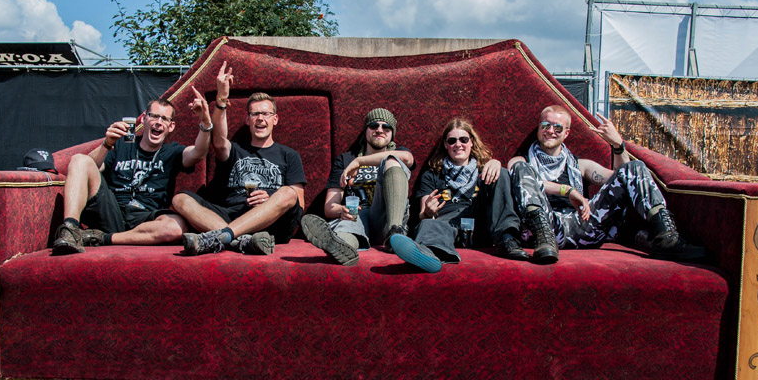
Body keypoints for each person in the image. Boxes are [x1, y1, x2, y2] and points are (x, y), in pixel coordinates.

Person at [508, 104, 706, 264]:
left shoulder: (581, 165)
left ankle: (666, 238)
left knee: (635, 167)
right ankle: (546, 241)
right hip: (543, 233)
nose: (551, 131)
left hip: (583, 227)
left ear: (566, 133)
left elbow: (624, 177)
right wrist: (567, 191)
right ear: (539, 128)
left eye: (557, 127)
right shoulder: (521, 162)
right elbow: (522, 177)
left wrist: (618, 145)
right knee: (520, 170)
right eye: (545, 125)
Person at [51, 94, 213, 255]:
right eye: (154, 116)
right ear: (143, 119)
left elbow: (198, 153)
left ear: (171, 126)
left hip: (145, 218)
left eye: (164, 119)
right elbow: (89, 166)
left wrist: (205, 122)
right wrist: (107, 143)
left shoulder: (172, 152)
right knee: (79, 159)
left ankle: (102, 239)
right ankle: (71, 230)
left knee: (176, 227)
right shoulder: (121, 144)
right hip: (111, 209)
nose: (158, 122)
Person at [174, 62, 306, 256]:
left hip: (271, 224)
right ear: (247, 120)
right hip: (231, 214)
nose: (260, 118)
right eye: (255, 114)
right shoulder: (235, 149)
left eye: (266, 114)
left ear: (275, 119)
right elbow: (218, 141)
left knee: (288, 193)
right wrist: (222, 98)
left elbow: (299, 204)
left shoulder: (289, 155)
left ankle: (223, 237)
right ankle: (238, 240)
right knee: (180, 199)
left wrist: (270, 200)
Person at [389, 117, 529, 273]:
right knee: (428, 224)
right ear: (445, 145)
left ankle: (507, 239)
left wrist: (496, 163)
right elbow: (423, 214)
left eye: (463, 139)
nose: (458, 145)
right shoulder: (432, 174)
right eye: (452, 141)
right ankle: (429, 255)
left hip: (480, 226)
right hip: (445, 227)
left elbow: (499, 195)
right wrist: (428, 210)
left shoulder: (486, 170)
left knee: (501, 173)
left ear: (471, 143)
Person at [299, 108, 413, 266]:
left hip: (387, 218)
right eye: (373, 126)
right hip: (357, 218)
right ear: (366, 130)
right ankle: (339, 246)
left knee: (392, 161)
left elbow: (408, 159)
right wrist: (341, 210)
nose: (379, 130)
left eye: (386, 127)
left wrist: (360, 162)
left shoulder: (400, 152)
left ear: (392, 133)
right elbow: (329, 207)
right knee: (350, 222)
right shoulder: (345, 160)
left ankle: (395, 235)